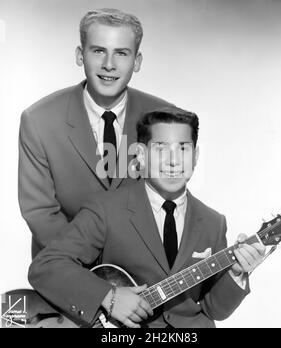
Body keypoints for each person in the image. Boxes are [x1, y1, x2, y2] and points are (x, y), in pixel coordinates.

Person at [28, 107, 266, 328]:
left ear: (195, 156)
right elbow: (46, 266)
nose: (173, 161)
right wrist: (108, 297)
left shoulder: (214, 222)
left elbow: (215, 309)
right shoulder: (105, 209)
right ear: (141, 155)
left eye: (183, 148)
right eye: (161, 148)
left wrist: (237, 274)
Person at [18, 8, 172, 258]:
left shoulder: (166, 119)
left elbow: (171, 200)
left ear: (137, 61)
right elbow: (41, 212)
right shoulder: (39, 120)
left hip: (144, 270)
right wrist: (98, 273)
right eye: (98, 51)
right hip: (66, 266)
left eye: (121, 53)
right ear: (80, 56)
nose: (109, 65)